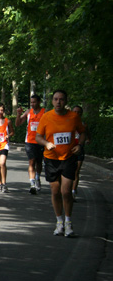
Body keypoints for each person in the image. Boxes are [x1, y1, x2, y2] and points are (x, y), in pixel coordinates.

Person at [36, 90, 86, 237]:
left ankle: (68, 223)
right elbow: (38, 136)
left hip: (69, 158)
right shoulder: (46, 117)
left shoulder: (73, 117)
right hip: (51, 158)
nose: (58, 102)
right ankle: (59, 222)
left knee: (66, 192)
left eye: (62, 99)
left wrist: (80, 145)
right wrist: (46, 143)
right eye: (56, 99)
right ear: (52, 101)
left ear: (66, 101)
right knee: (55, 192)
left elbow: (82, 132)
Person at [16, 94, 46, 194]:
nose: (32, 104)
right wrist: (18, 114)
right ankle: (32, 184)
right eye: (31, 102)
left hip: (41, 141)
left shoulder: (44, 112)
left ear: (39, 102)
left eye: (34, 102)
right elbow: (18, 123)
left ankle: (37, 178)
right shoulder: (28, 112)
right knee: (31, 162)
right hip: (30, 141)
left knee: (39, 162)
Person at [71, 105, 90, 201]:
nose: (77, 114)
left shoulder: (83, 124)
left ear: (81, 114)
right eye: (75, 111)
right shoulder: (67, 122)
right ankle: (66, 190)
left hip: (79, 149)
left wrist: (87, 140)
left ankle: (73, 192)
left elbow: (87, 135)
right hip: (69, 149)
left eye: (79, 112)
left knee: (76, 172)